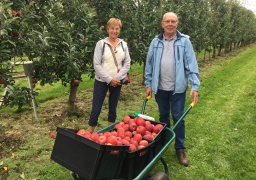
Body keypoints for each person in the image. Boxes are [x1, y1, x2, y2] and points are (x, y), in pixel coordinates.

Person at [144, 12, 200, 166]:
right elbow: (149, 65)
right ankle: (163, 144)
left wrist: (195, 86)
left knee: (178, 118)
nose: (170, 24)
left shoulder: (184, 42)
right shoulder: (155, 42)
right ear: (162, 24)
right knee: (163, 117)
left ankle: (180, 149)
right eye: (167, 21)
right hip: (160, 88)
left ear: (177, 23)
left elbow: (191, 65)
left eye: (173, 21)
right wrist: (148, 84)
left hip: (178, 89)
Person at [88, 18, 131, 133]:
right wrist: (109, 79)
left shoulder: (123, 45)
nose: (114, 31)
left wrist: (115, 79)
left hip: (117, 82)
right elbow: (96, 65)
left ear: (119, 30)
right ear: (107, 29)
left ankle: (110, 132)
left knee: (113, 108)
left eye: (117, 28)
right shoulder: (101, 44)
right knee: (96, 109)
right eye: (112, 28)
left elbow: (127, 64)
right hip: (101, 81)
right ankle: (90, 132)